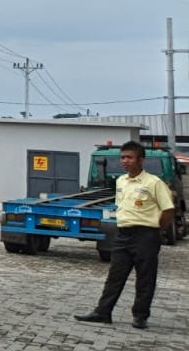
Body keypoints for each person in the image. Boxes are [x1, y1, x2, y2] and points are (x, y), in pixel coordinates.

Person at [75, 140, 174, 329]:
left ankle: (140, 316)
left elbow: (168, 210)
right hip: (123, 235)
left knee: (145, 277)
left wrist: (156, 230)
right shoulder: (121, 181)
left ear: (141, 160)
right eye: (122, 158)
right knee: (115, 275)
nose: (125, 161)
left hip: (146, 235)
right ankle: (103, 312)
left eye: (129, 157)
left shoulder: (154, 183)